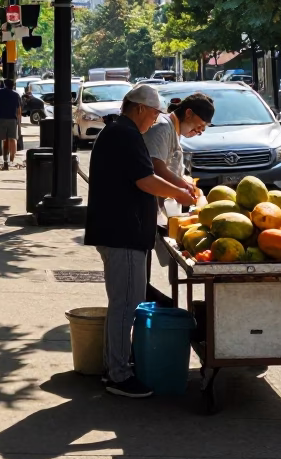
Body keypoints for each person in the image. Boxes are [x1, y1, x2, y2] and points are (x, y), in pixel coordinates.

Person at [84, 83, 195, 398]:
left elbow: (145, 176)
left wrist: (177, 188)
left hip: (119, 230)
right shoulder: (126, 134)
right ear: (141, 109)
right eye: (155, 113)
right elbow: (145, 180)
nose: (156, 119)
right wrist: (180, 192)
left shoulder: (121, 131)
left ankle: (115, 365)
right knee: (126, 304)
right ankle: (118, 374)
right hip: (123, 232)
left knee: (122, 302)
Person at [142, 92, 214, 303]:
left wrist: (185, 182)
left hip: (158, 208)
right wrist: (181, 187)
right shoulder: (163, 127)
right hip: (147, 207)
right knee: (138, 275)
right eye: (199, 126)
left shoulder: (173, 131)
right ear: (188, 113)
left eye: (203, 130)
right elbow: (155, 166)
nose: (198, 132)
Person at [0, 77, 22, 169]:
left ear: (4, 85)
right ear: (13, 86)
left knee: (4, 140)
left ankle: (5, 161)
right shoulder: (16, 95)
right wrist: (19, 123)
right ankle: (12, 160)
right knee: (13, 139)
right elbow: (19, 111)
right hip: (12, 119)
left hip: (1, 119)